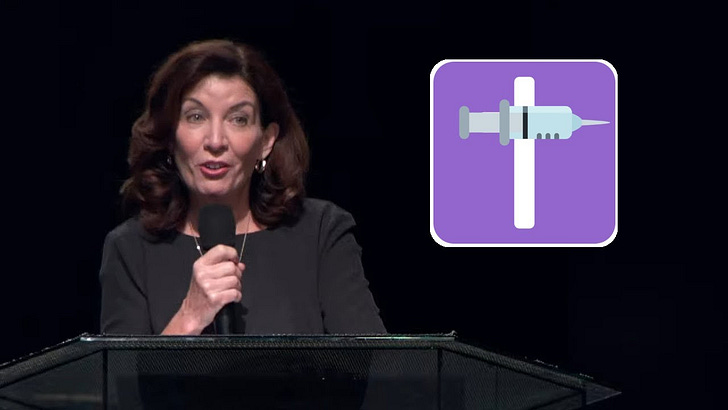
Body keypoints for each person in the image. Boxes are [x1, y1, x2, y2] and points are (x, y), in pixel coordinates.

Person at [99, 39, 386, 335]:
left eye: (238, 119)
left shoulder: (321, 232)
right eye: (196, 117)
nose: (215, 141)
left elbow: (372, 359)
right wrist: (189, 318)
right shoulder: (130, 249)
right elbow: (120, 367)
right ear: (170, 137)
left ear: (266, 141)